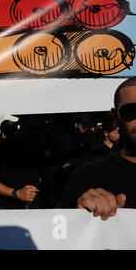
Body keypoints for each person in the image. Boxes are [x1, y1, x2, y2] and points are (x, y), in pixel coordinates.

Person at [57, 77, 136, 220]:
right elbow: (59, 232)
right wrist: (78, 211)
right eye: (131, 111)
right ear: (115, 116)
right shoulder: (87, 176)